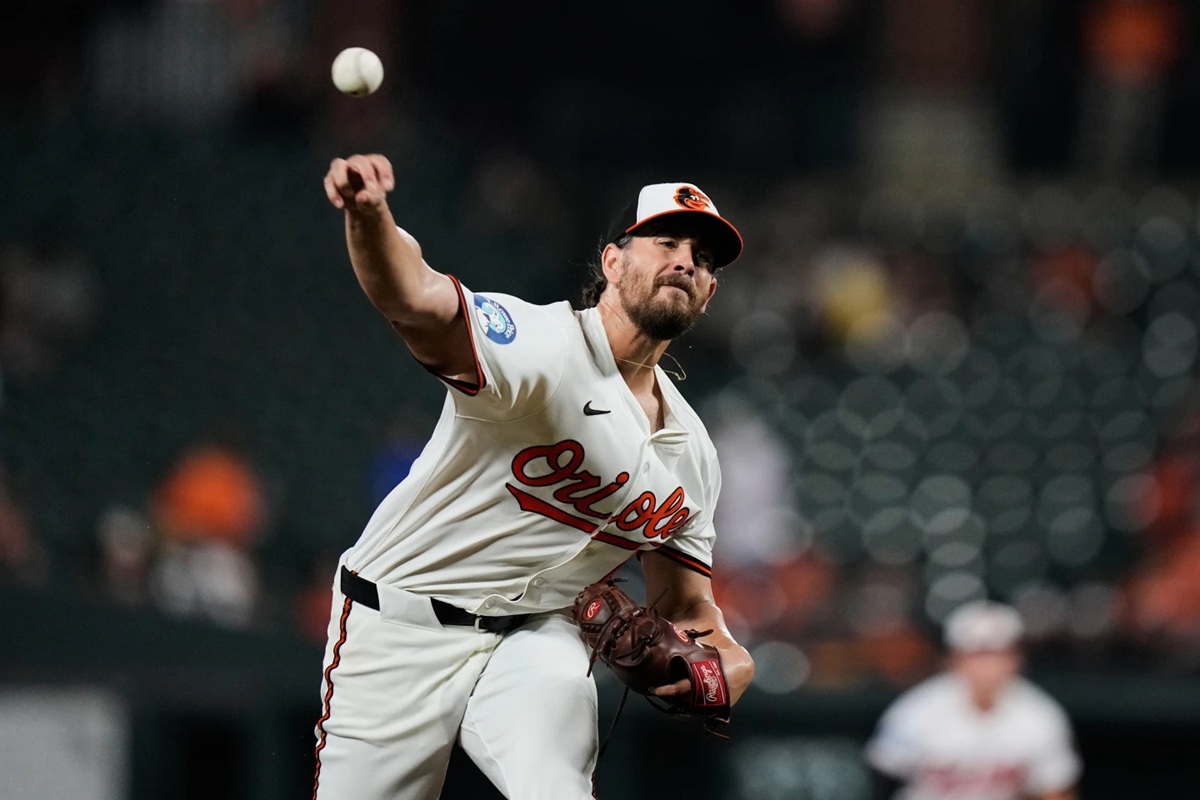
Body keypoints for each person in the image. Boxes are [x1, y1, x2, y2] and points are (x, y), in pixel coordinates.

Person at [311, 153, 756, 800]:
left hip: (538, 634)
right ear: (611, 262)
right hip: (402, 621)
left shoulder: (692, 454)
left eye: (703, 257)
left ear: (709, 293)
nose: (686, 260)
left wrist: (727, 670)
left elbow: (690, 613)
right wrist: (370, 217)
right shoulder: (539, 345)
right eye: (666, 242)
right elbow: (415, 297)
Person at [863, 600, 1082, 800]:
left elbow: (1056, 791)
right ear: (954, 658)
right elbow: (882, 778)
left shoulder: (1041, 715)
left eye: (997, 654)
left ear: (1016, 659)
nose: (987, 667)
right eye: (977, 654)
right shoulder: (914, 711)